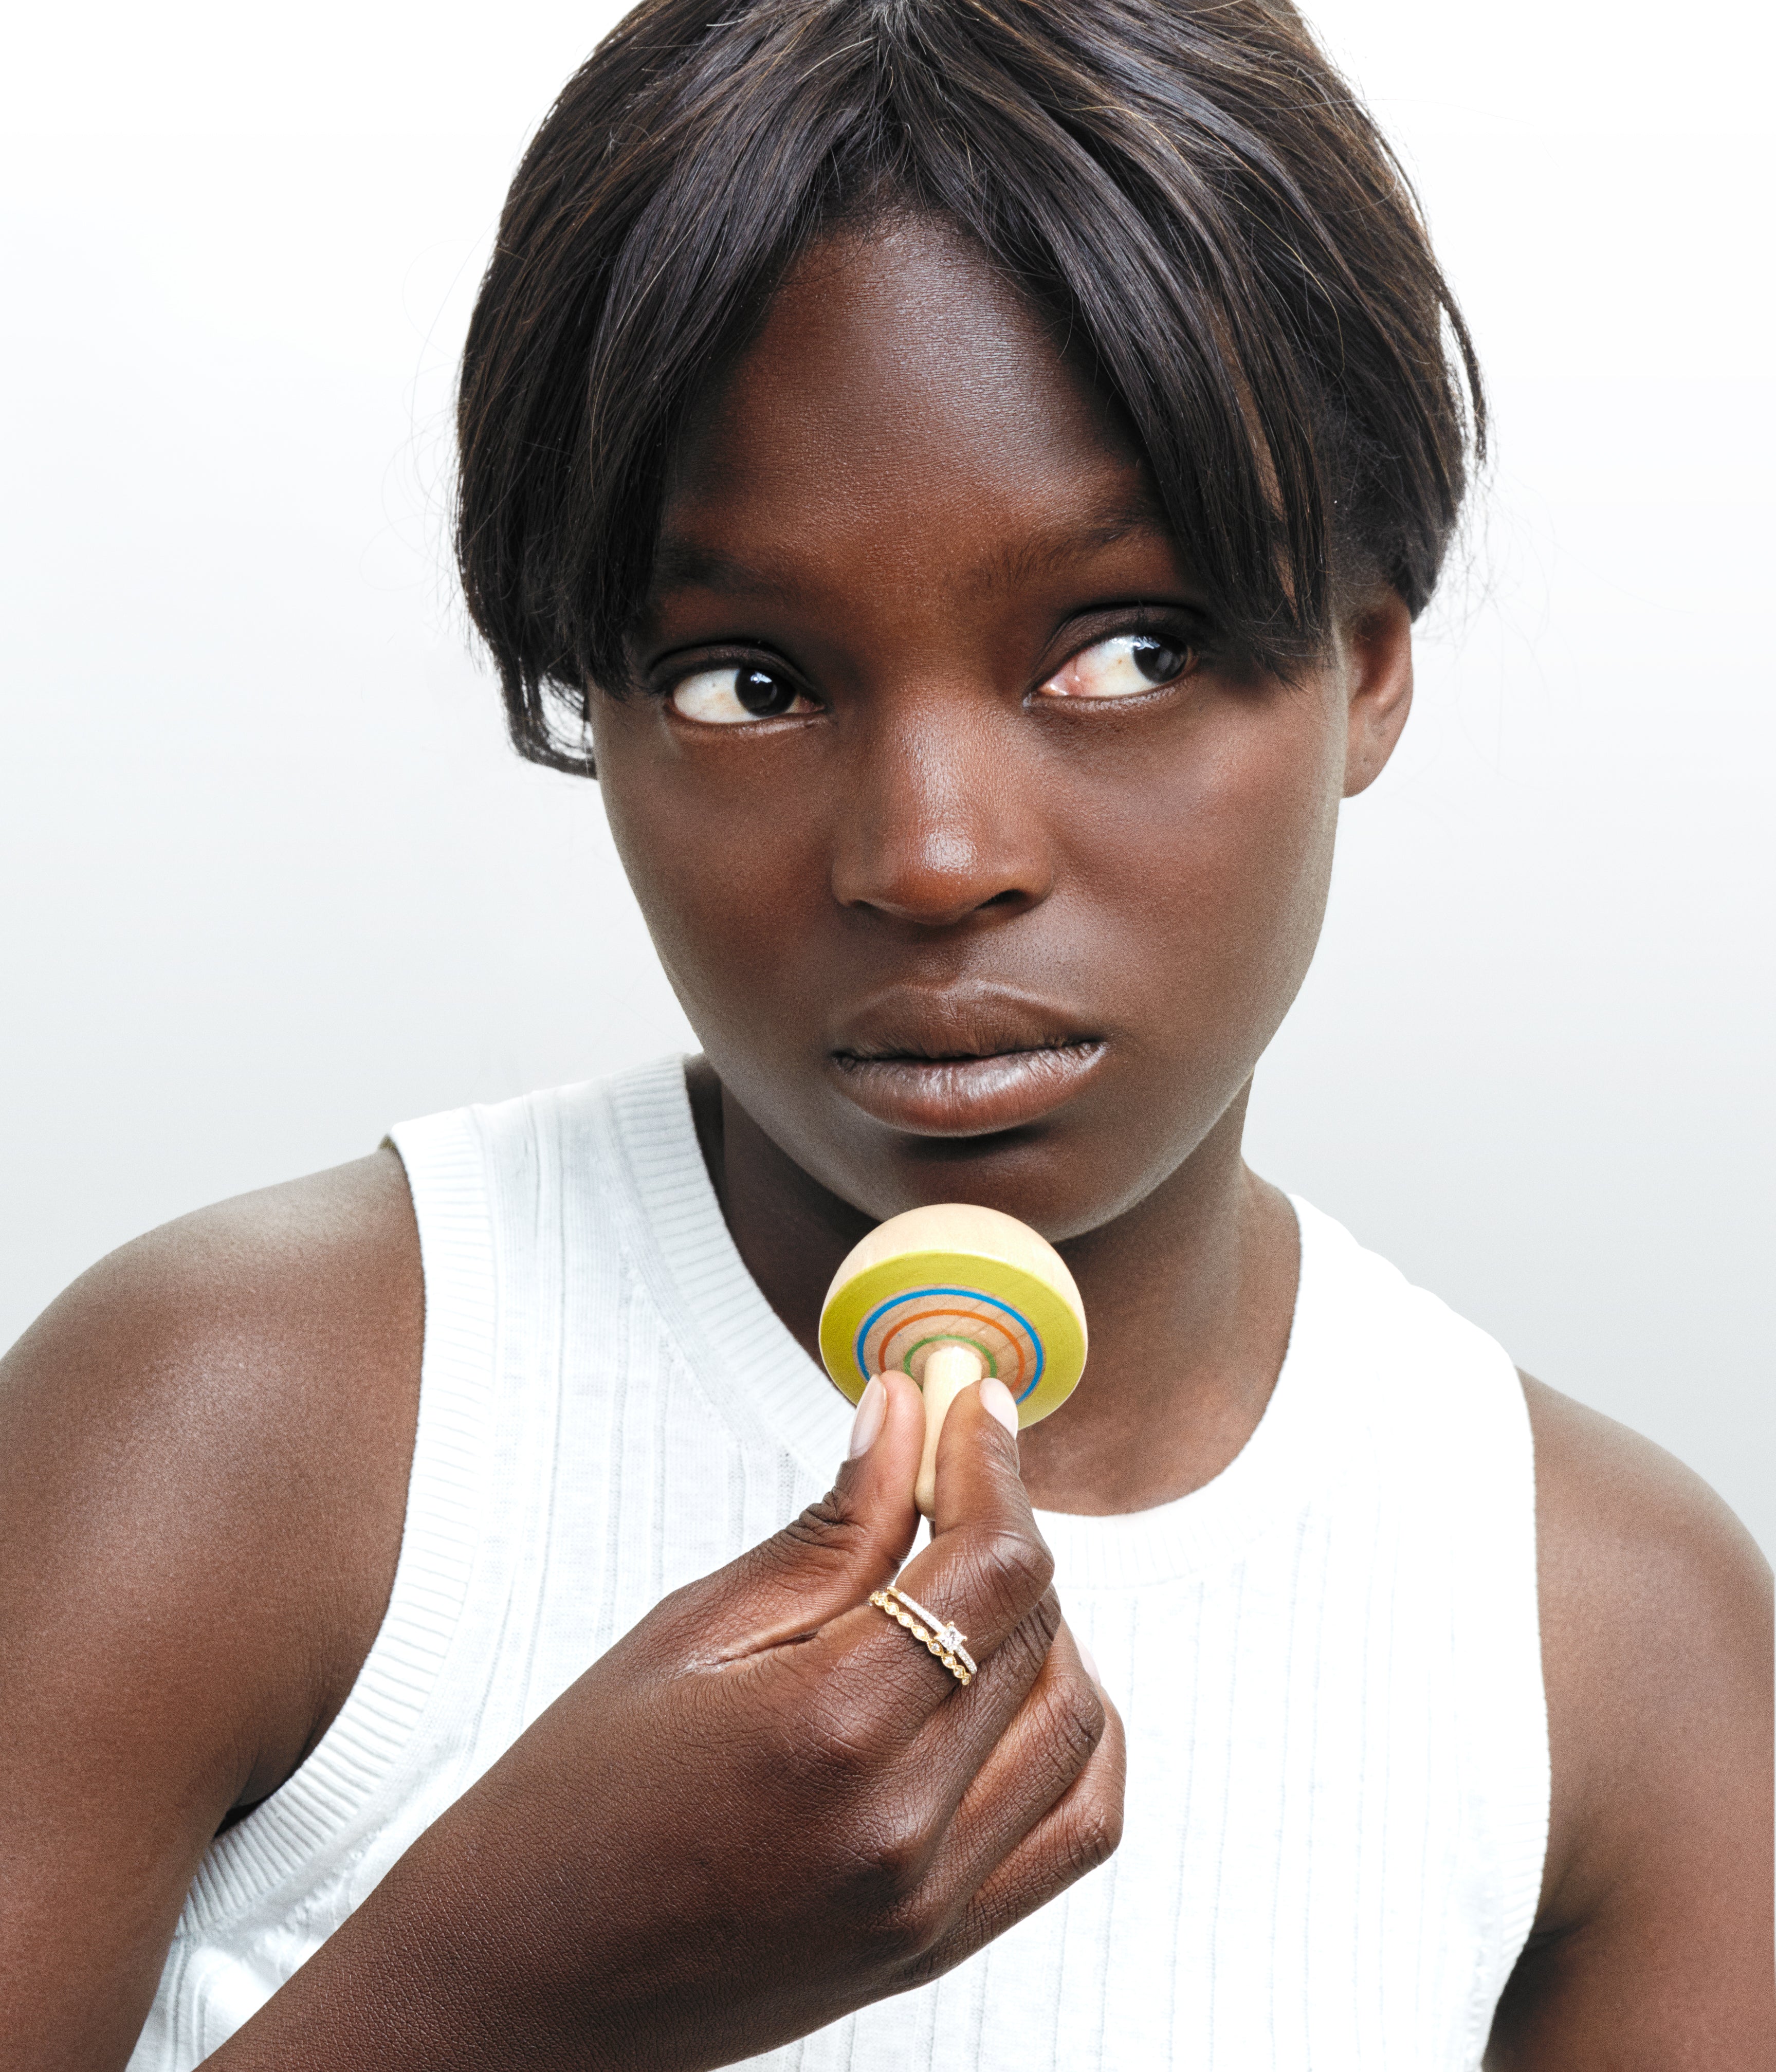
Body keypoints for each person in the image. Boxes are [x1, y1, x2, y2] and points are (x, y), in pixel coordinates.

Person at [1, 0, 1769, 2064]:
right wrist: (497, 1990)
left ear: (1369, 663)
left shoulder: (1615, 1643)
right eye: (751, 679)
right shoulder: (235, 1430)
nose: (930, 859)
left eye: (1128, 648)